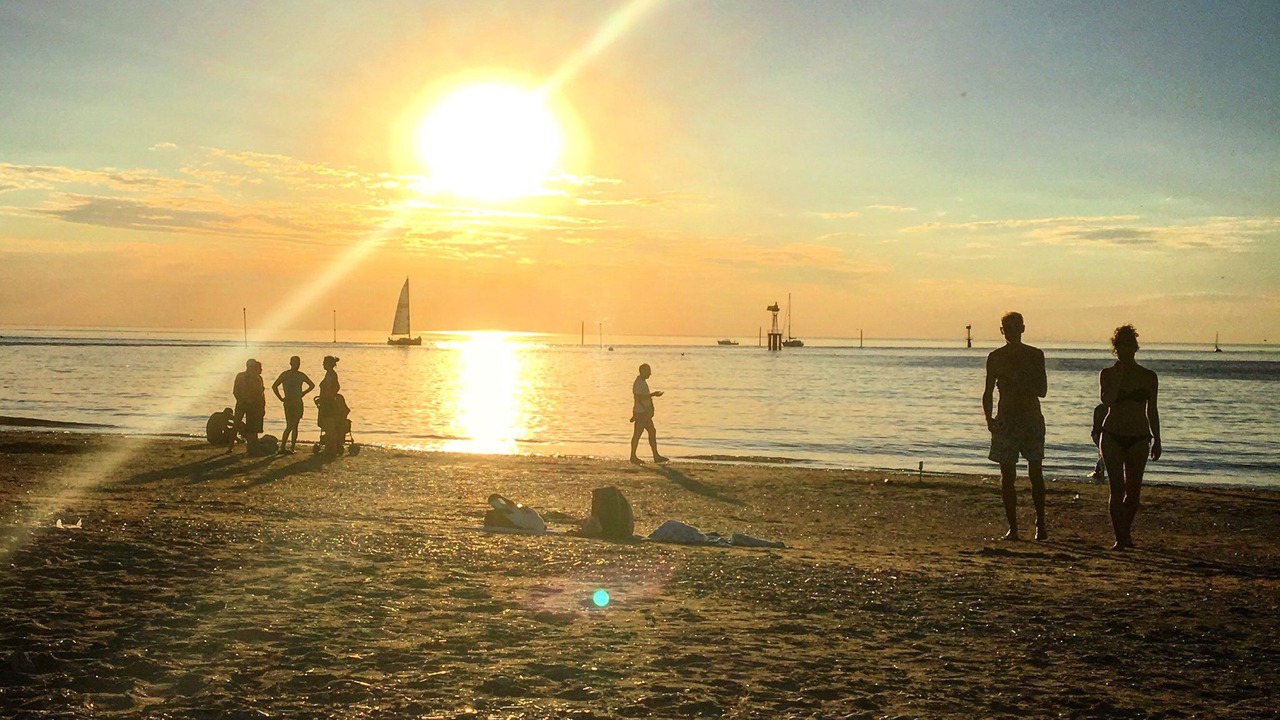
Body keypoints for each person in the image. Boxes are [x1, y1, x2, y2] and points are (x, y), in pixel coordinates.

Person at [981, 312, 1048, 541]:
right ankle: (1017, 526)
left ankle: (1038, 522)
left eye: (1013, 327)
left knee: (1032, 472)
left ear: (1021, 329)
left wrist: (1017, 381)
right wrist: (989, 419)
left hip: (1027, 418)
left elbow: (1042, 390)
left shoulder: (1033, 355)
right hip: (1010, 419)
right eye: (1008, 328)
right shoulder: (997, 357)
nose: (1010, 332)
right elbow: (988, 391)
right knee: (1010, 474)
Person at [1098, 324, 1162, 550]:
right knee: (1117, 490)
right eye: (1121, 348)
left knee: (1134, 493)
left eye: (1129, 347)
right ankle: (1121, 538)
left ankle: (1125, 533)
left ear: (1135, 348)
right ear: (1116, 349)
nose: (1126, 352)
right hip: (1112, 435)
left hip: (1139, 436)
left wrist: (1158, 438)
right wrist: (1118, 378)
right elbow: (1107, 401)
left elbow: (1152, 410)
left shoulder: (1148, 377)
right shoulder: (1108, 374)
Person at [272, 356, 315, 454]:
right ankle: (283, 446)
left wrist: (303, 393)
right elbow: (274, 386)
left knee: (295, 425)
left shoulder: (301, 375)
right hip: (289, 402)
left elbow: (312, 385)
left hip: (297, 402)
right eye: (295, 363)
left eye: (298, 363)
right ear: (290, 363)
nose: (297, 365)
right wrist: (281, 398)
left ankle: (292, 447)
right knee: (290, 425)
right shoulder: (285, 374)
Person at [629, 363, 668, 465]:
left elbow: (643, 397)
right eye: (648, 371)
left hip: (642, 412)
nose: (650, 373)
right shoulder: (638, 383)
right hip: (641, 413)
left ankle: (654, 455)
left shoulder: (642, 382)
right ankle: (635, 456)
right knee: (640, 434)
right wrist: (653, 395)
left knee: (649, 432)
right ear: (642, 371)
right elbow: (639, 398)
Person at [233, 359, 266, 451]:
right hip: (247, 404)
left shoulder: (255, 377)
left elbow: (260, 394)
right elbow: (236, 391)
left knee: (250, 427)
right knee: (244, 426)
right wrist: (245, 400)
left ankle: (250, 446)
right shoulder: (248, 377)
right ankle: (232, 446)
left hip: (249, 404)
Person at [315, 355, 345, 456]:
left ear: (327, 364)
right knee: (328, 425)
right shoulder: (331, 374)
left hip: (327, 402)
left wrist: (327, 396)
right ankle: (330, 447)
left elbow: (331, 387)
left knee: (328, 425)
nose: (322, 364)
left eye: (324, 362)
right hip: (327, 401)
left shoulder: (330, 374)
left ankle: (330, 449)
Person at [1088, 403, 1108, 481]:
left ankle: (1099, 471)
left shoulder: (1100, 408)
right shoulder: (1101, 409)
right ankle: (1099, 470)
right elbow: (1098, 424)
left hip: (1099, 433)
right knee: (1104, 453)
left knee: (1103, 453)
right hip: (1098, 434)